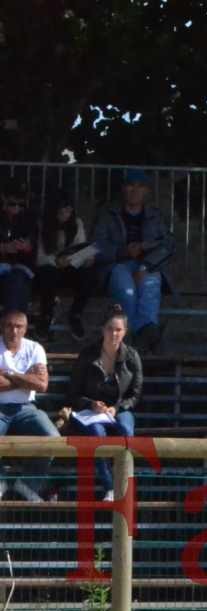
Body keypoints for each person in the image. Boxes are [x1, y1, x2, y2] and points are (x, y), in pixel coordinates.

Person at [63, 305, 143, 498]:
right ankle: (109, 486)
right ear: (102, 329)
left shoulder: (132, 356)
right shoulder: (88, 355)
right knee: (97, 433)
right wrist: (91, 404)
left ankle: (123, 481)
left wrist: (117, 408)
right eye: (110, 329)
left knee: (126, 431)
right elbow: (73, 393)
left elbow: (135, 393)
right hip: (91, 411)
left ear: (125, 332)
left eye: (118, 330)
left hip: (120, 408)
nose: (114, 334)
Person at [92, 169, 175, 350]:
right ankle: (133, 338)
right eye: (130, 185)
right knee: (127, 291)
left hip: (147, 264)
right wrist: (124, 251)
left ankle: (142, 336)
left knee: (151, 284)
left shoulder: (155, 215)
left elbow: (167, 245)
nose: (134, 190)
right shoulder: (108, 214)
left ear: (147, 191)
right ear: (123, 189)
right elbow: (96, 247)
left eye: (140, 186)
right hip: (116, 265)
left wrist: (145, 265)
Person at [0, 308, 60, 501]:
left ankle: (27, 484)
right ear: (2, 327)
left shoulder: (35, 348)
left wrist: (10, 374)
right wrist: (27, 377)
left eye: (19, 327)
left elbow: (42, 384)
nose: (14, 331)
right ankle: (0, 482)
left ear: (26, 329)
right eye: (9, 326)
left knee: (53, 438)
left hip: (27, 408)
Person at [34, 195, 96, 338]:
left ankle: (76, 313)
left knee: (89, 275)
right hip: (48, 267)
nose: (65, 215)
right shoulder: (42, 224)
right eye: (61, 211)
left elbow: (81, 246)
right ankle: (46, 314)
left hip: (69, 267)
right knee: (48, 274)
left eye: (68, 211)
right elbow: (39, 257)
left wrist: (86, 258)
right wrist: (56, 261)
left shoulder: (76, 223)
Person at [0, 183, 38, 316]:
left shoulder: (29, 217)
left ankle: (14, 326)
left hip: (19, 266)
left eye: (20, 205)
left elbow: (34, 242)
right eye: (12, 204)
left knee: (18, 282)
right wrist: (4, 247)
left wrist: (27, 245)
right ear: (4, 199)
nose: (16, 208)